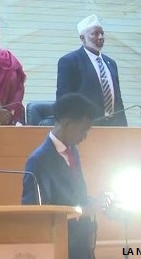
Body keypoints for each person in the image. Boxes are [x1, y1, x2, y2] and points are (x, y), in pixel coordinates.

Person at [22, 93, 112, 259]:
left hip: (82, 245)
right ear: (67, 123)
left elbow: (75, 197)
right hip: (60, 248)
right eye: (83, 129)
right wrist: (82, 211)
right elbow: (34, 214)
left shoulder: (73, 151)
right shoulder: (39, 160)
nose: (85, 136)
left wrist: (96, 201)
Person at [57, 14, 126, 126]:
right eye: (95, 34)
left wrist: (124, 129)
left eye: (102, 33)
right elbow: (64, 100)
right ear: (82, 38)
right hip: (85, 128)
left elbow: (118, 99)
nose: (100, 37)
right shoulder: (70, 61)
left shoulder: (111, 63)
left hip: (114, 127)